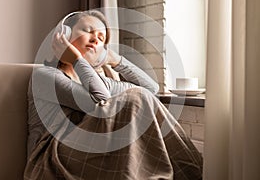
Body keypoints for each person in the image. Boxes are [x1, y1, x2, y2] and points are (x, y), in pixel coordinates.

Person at [24, 10, 203, 180]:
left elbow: (151, 89)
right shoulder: (45, 76)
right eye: (88, 30)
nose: (95, 38)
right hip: (50, 161)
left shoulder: (101, 81)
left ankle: (196, 174)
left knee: (139, 96)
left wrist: (113, 58)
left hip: (92, 153)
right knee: (134, 98)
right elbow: (99, 99)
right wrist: (76, 58)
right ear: (64, 35)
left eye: (101, 38)